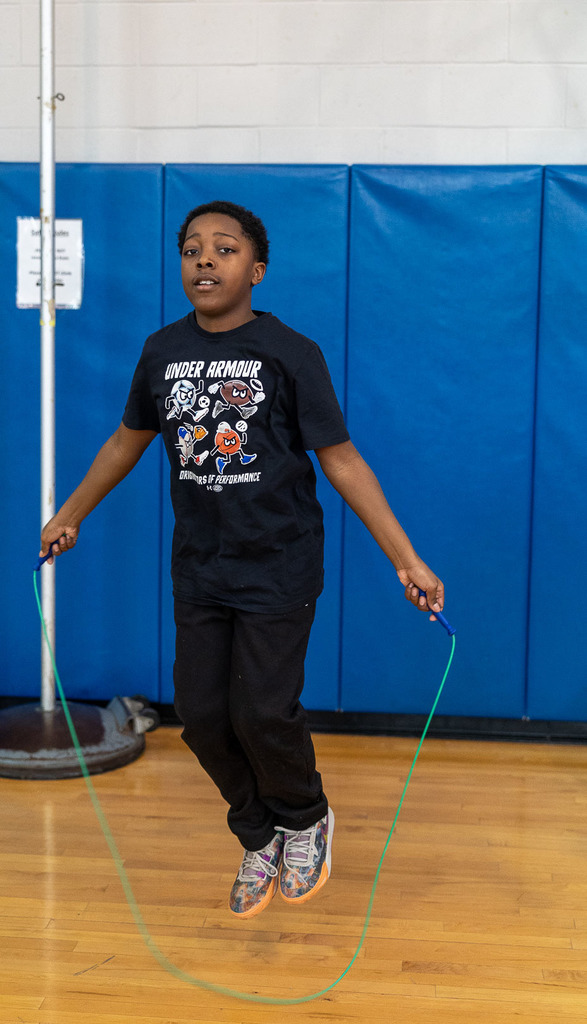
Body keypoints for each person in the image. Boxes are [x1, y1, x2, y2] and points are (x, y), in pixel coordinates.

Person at [39, 199, 444, 921]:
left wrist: (404, 560)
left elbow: (343, 461)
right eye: (192, 248)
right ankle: (258, 835)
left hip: (278, 565)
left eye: (224, 249)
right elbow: (125, 443)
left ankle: (305, 816)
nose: (204, 259)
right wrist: (69, 514)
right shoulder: (161, 351)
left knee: (260, 708)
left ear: (255, 270)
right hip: (200, 565)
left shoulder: (290, 353)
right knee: (199, 715)